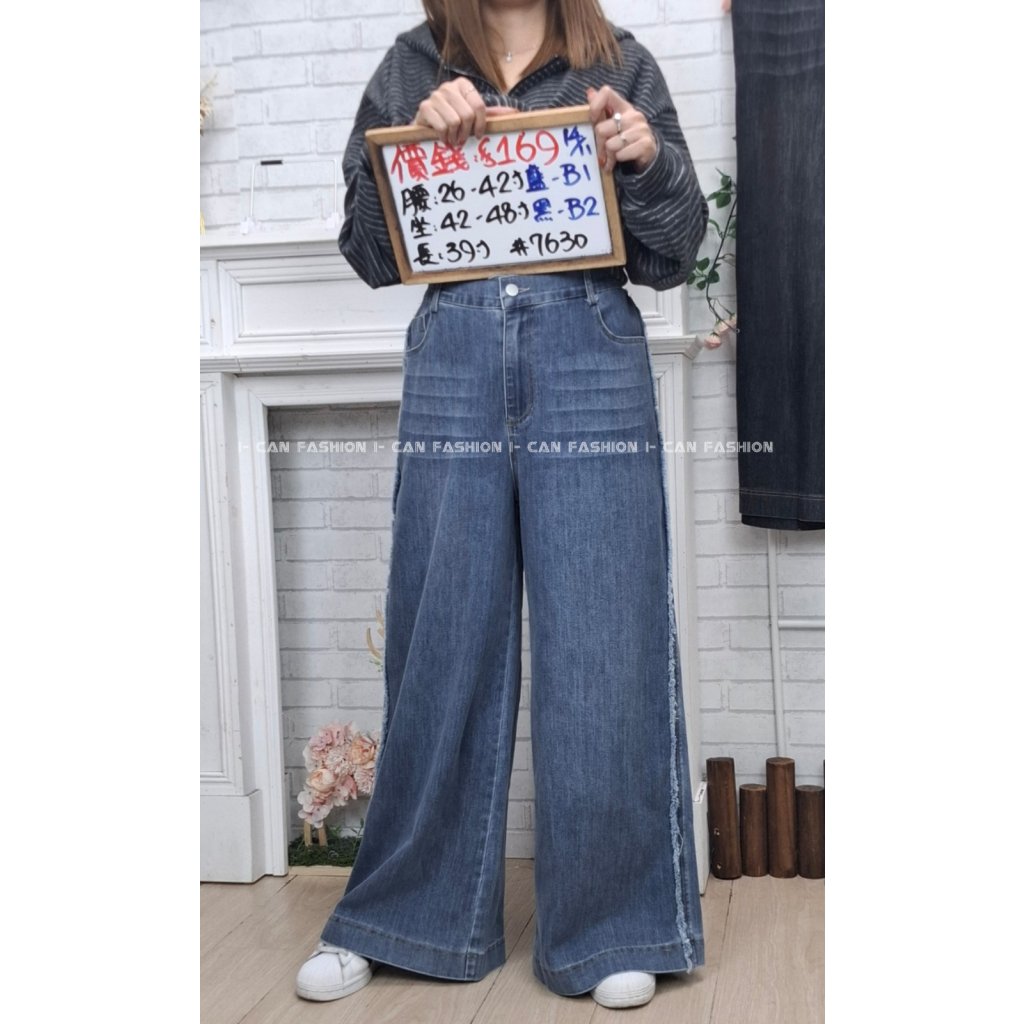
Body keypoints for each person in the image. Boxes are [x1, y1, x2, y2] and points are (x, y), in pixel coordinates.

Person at [295, 0, 709, 1010]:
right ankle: (407, 916)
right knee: (442, 633)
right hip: (457, 352)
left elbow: (675, 252)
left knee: (604, 635)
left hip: (589, 347)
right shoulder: (412, 62)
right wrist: (405, 151)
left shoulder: (618, 61)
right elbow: (368, 254)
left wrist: (646, 158)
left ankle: (613, 923)